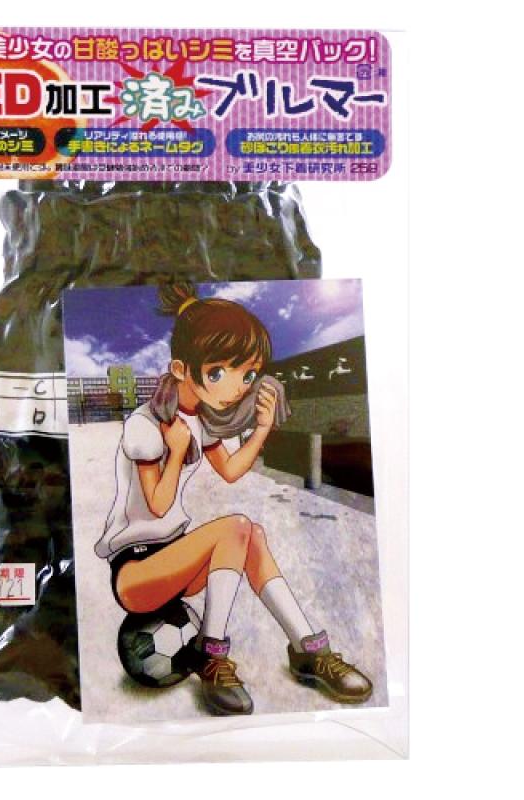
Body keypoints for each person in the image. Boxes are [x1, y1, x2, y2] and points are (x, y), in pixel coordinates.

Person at [95, 282, 372, 716]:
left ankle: (309, 649)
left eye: (247, 375)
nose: (238, 387)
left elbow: (229, 471)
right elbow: (158, 505)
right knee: (236, 528)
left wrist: (260, 428)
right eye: (219, 373)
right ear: (182, 369)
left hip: (174, 560)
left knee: (251, 535)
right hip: (136, 572)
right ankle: (212, 653)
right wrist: (176, 450)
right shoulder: (145, 425)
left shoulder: (198, 421)